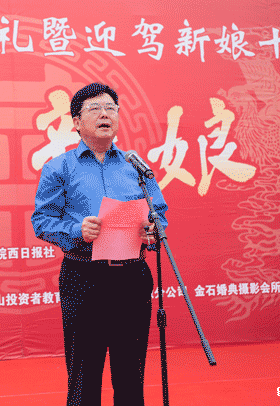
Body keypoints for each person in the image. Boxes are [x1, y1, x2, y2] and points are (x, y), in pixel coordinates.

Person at [31, 82, 168, 406]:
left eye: (110, 108)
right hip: (84, 277)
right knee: (84, 375)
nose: (104, 114)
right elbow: (42, 221)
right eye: (94, 108)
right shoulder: (59, 167)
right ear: (77, 122)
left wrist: (152, 230)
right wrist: (77, 230)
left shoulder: (136, 166)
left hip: (132, 277)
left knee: (130, 374)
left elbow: (159, 213)